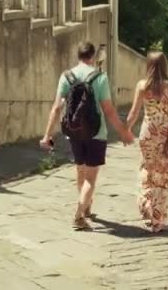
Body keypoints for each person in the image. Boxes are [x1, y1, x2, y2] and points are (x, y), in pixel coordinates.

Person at [40, 42, 134, 230]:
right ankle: (79, 215)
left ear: (78, 56)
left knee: (80, 170)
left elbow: (57, 107)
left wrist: (47, 135)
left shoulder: (66, 76)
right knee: (90, 178)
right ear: (93, 57)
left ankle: (86, 207)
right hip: (96, 133)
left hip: (74, 133)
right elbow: (108, 110)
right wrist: (123, 131)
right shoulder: (100, 77)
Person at [126, 52, 168, 233]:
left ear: (149, 66)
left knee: (148, 172)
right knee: (163, 178)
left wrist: (125, 130)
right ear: (165, 65)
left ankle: (147, 212)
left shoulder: (143, 86)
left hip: (148, 135)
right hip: (167, 136)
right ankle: (159, 220)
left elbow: (134, 113)